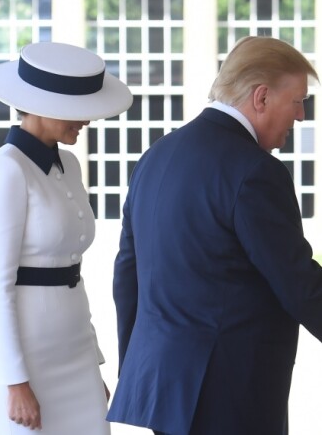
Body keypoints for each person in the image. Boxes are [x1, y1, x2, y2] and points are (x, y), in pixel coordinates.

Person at [108, 36, 322, 435]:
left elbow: (127, 274)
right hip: (231, 396)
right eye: (297, 101)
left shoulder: (155, 157)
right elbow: (298, 283)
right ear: (261, 98)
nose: (302, 116)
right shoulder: (256, 171)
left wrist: (138, 365)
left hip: (165, 391)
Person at [0, 41, 133, 434]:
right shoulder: (6, 168)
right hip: (27, 359)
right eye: (79, 113)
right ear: (43, 106)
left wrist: (92, 360)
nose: (87, 121)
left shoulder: (71, 164)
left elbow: (70, 275)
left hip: (76, 350)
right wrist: (16, 382)